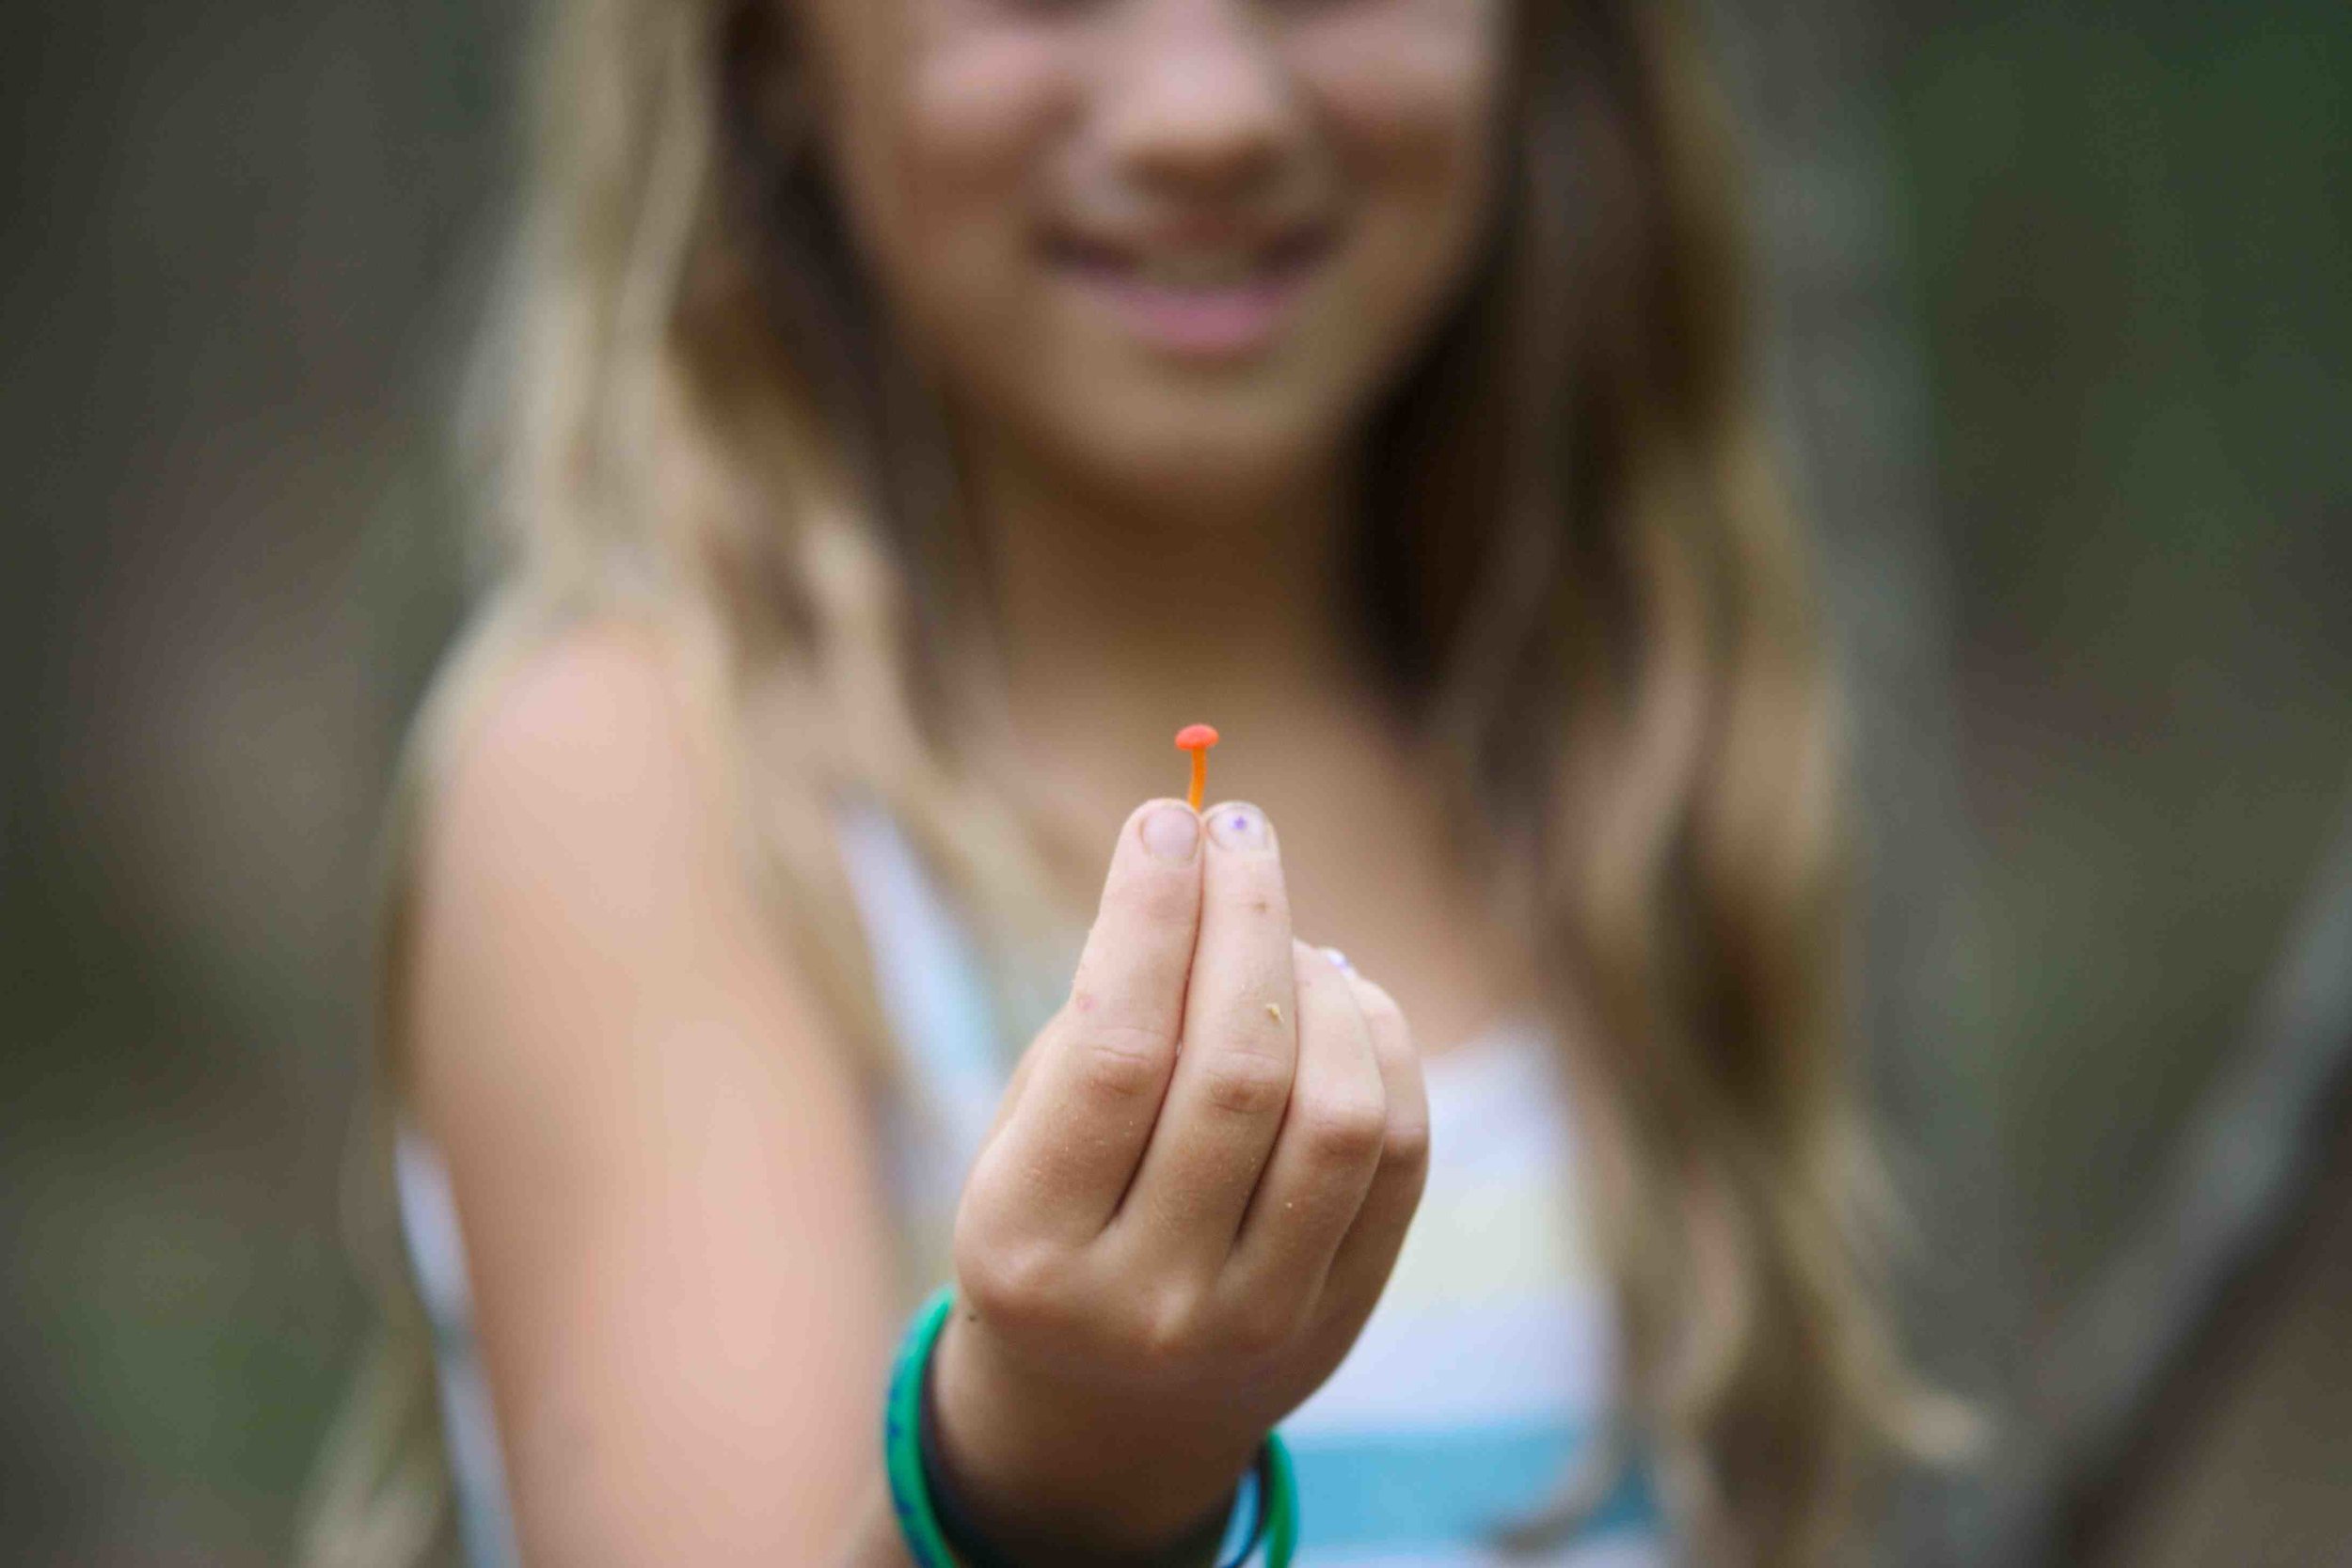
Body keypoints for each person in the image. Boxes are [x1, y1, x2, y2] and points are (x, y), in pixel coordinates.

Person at [303, 1, 1957, 1563]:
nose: (1204, 114)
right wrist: (1051, 1483)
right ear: (771, 49)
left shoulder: (1624, 762)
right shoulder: (640, 792)